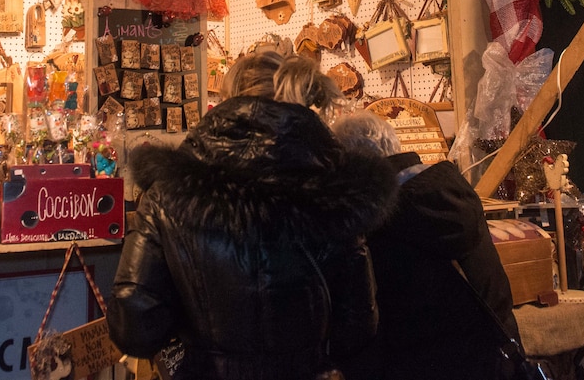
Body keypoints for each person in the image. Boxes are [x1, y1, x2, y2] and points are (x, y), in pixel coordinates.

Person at [108, 50, 396, 380]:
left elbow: (135, 324)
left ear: (226, 97)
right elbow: (357, 328)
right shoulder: (340, 191)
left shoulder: (167, 194)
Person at [334, 110, 522, 380]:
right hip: (494, 365)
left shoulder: (379, 224)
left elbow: (371, 328)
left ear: (355, 166)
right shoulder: (453, 192)